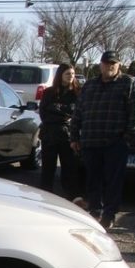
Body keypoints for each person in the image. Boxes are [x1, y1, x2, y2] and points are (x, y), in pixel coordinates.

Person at [70, 51, 135, 230]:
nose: (110, 66)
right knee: (92, 180)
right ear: (100, 65)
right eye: (106, 63)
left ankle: (109, 215)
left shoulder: (128, 83)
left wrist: (126, 137)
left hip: (115, 143)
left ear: (119, 65)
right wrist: (74, 136)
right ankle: (95, 211)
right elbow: (78, 112)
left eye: (113, 63)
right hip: (90, 141)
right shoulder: (90, 85)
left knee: (113, 181)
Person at [38, 63, 83, 200]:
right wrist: (62, 113)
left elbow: (76, 113)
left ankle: (72, 198)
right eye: (68, 74)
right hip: (49, 135)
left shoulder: (78, 93)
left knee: (69, 169)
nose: (71, 77)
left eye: (73, 74)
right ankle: (45, 198)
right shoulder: (49, 92)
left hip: (68, 137)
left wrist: (58, 110)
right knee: (48, 169)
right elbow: (44, 113)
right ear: (60, 75)